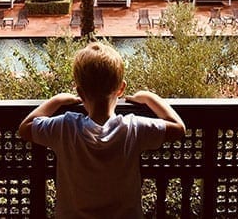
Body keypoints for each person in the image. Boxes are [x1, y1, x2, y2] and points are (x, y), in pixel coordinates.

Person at [18, 42, 185, 218]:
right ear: (121, 89)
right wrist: (149, 97)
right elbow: (178, 127)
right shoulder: (133, 128)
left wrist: (56, 101)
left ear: (80, 93)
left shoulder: (64, 127)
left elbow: (26, 128)